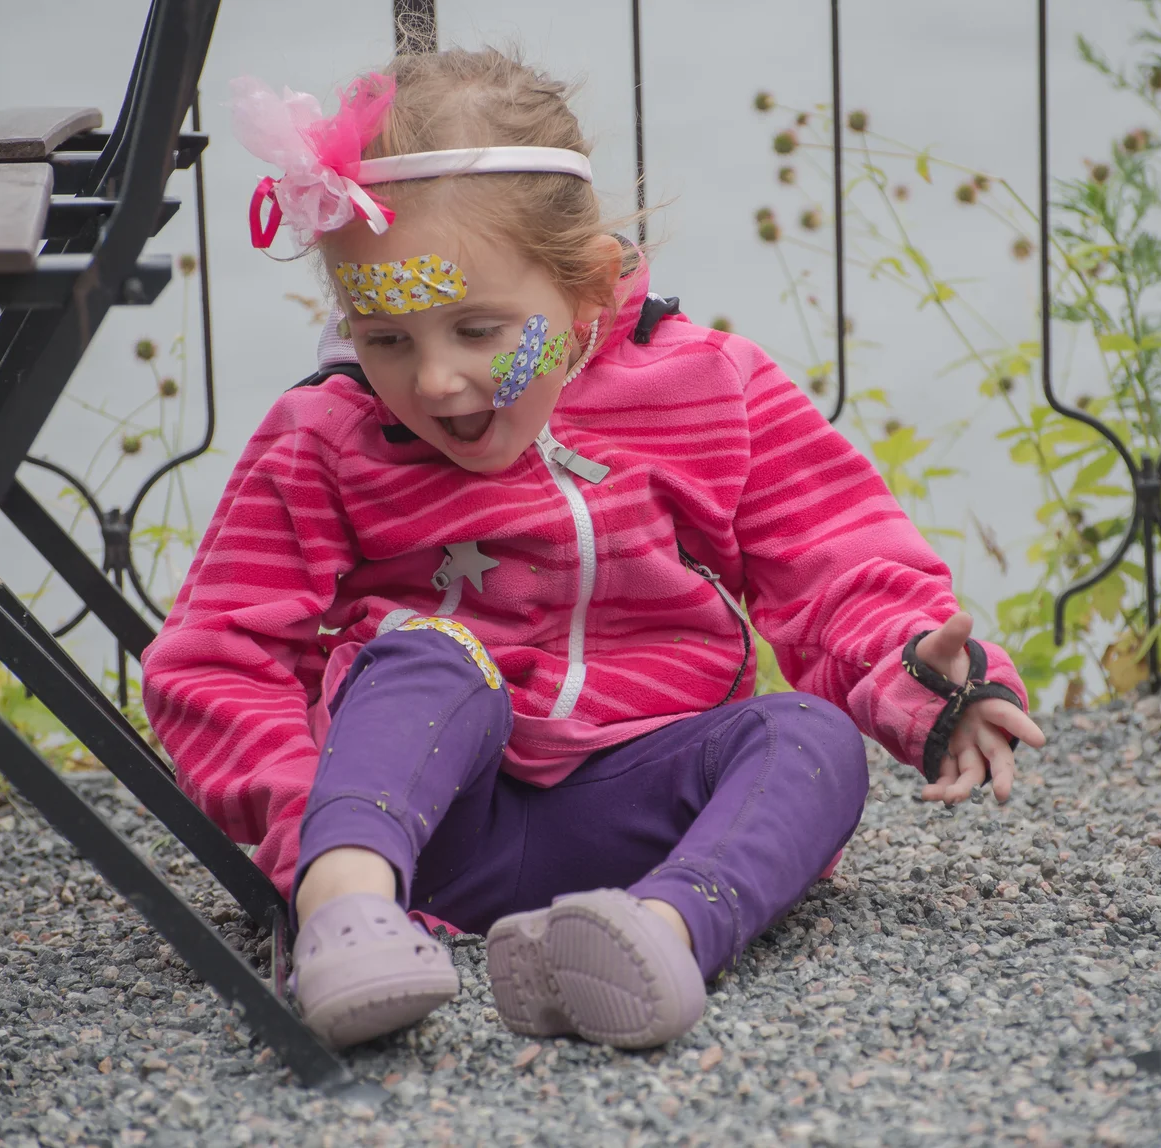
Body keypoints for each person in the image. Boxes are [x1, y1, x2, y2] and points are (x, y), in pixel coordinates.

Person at [141, 47, 1046, 1052]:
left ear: (590, 286)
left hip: (646, 817)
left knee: (808, 738)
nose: (433, 381)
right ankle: (344, 914)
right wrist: (308, 827)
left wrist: (922, 671)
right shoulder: (329, 433)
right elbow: (215, 655)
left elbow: (831, 554)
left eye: (477, 329)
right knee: (424, 656)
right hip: (431, 830)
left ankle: (654, 937)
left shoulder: (708, 389)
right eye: (385, 338)